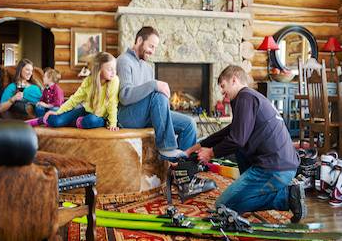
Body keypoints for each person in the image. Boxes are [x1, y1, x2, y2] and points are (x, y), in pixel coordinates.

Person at [186, 65, 307, 223]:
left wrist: (211, 153)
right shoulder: (250, 97)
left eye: (223, 86)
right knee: (239, 150)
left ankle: (286, 197)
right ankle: (252, 191)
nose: (222, 92)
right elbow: (229, 132)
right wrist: (198, 146)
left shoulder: (244, 97)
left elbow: (236, 139)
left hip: (273, 169)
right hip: (282, 165)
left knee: (223, 206)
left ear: (234, 80)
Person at [116, 26, 197, 161]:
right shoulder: (124, 61)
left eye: (155, 48)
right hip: (127, 116)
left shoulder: (148, 68)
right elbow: (124, 96)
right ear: (139, 40)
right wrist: (154, 84)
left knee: (189, 124)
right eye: (151, 46)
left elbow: (153, 100)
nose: (152, 51)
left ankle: (182, 170)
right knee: (157, 92)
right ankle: (167, 148)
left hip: (146, 115)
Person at [43, 52, 119, 130]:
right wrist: (58, 112)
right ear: (99, 69)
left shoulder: (114, 81)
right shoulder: (88, 81)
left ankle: (77, 122)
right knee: (55, 121)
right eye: (110, 69)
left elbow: (112, 103)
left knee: (91, 120)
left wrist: (113, 123)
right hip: (86, 110)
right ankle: (75, 122)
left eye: (115, 69)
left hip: (99, 117)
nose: (114, 72)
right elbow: (75, 99)